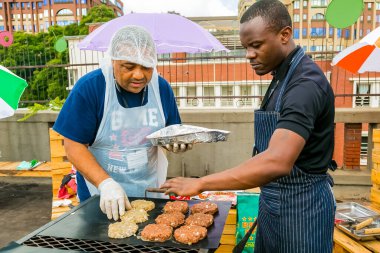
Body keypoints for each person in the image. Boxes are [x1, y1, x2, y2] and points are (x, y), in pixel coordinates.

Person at [161, 0, 336, 252]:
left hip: (303, 210)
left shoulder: (305, 84)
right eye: (245, 47)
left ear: (284, 35)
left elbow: (277, 160)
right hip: (273, 203)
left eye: (256, 46)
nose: (249, 55)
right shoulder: (280, 76)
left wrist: (201, 183)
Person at [53, 25, 191, 221]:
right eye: (129, 66)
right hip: (100, 196)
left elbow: (171, 130)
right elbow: (73, 145)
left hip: (149, 192)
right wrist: (105, 184)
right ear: (113, 61)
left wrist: (175, 141)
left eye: (146, 66)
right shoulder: (91, 88)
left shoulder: (161, 89)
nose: (138, 75)